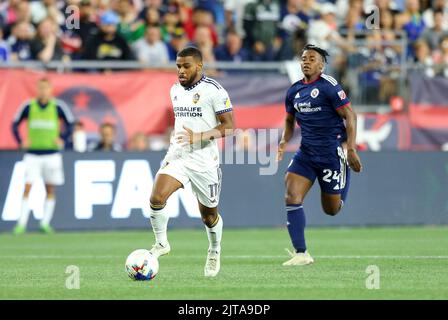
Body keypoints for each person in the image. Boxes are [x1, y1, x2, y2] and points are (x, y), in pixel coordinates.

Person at [148, 46, 234, 277]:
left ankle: (214, 250)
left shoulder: (215, 90)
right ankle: (161, 243)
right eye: (178, 66)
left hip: (205, 160)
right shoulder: (174, 90)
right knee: (157, 197)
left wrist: (199, 137)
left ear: (199, 66)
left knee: (209, 216)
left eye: (186, 66)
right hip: (179, 155)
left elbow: (229, 126)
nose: (181, 71)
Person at [277, 44, 362, 266]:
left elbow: (350, 116)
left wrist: (350, 148)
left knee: (332, 210)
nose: (306, 62)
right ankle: (301, 253)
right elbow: (289, 120)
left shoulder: (329, 86)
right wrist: (284, 141)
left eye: (312, 59)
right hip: (306, 153)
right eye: (304, 58)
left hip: (331, 155)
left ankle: (344, 172)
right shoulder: (294, 90)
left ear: (322, 65)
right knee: (291, 195)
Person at [11, 77, 74, 234]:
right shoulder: (28, 106)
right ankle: (21, 223)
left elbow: (71, 123)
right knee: (27, 187)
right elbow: (14, 124)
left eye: (46, 88)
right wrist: (20, 141)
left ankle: (45, 223)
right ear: (37, 89)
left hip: (52, 154)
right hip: (32, 154)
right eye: (40, 88)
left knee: (50, 188)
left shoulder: (58, 106)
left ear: (50, 90)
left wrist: (63, 139)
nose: (43, 91)